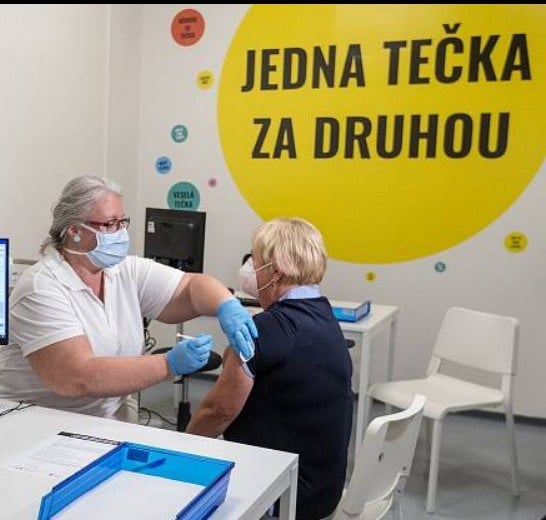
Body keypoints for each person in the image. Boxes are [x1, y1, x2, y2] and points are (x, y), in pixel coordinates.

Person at [0, 175, 257, 422]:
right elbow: (78, 377)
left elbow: (191, 287)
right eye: (110, 224)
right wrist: (168, 364)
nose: (120, 233)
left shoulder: (123, 270)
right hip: (40, 424)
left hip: (106, 421)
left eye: (123, 222)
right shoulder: (40, 288)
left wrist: (226, 305)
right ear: (75, 230)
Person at [186, 217, 353, 520]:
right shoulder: (324, 316)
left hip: (284, 497)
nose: (250, 268)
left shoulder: (265, 329)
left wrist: (182, 448)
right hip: (322, 489)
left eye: (255, 260)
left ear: (275, 272)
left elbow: (218, 412)